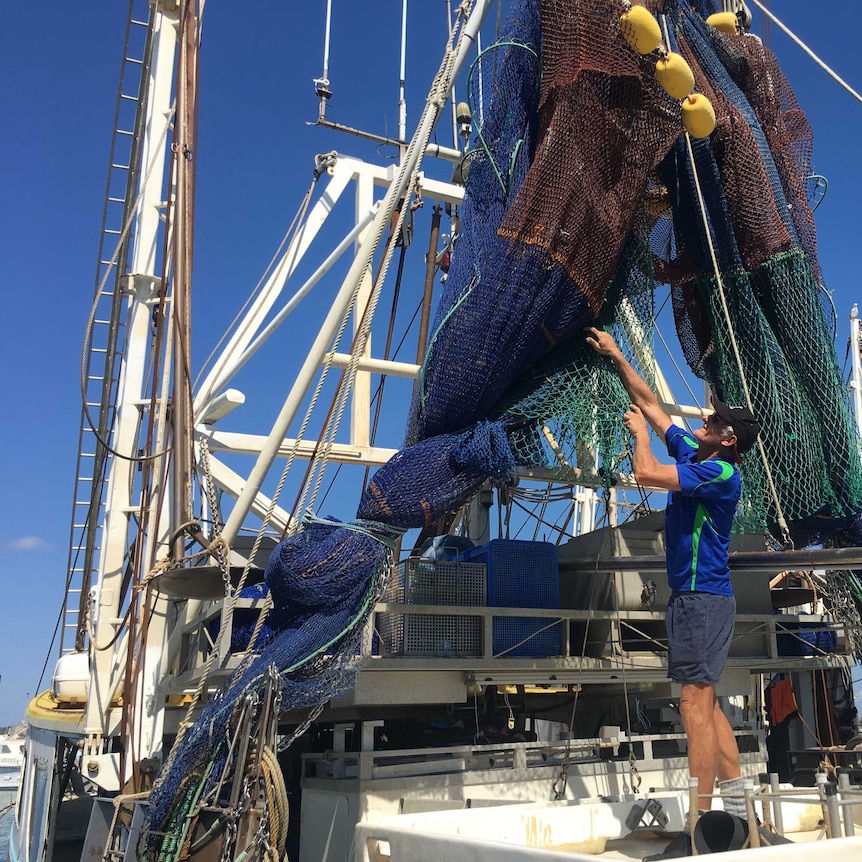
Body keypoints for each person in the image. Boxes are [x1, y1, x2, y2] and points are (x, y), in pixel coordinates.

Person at [585, 327, 761, 859]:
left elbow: (646, 469)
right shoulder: (697, 451)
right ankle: (736, 817)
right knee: (709, 707)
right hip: (692, 601)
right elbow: (654, 404)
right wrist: (619, 356)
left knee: (692, 702)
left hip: (704, 600)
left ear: (727, 438)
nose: (703, 420)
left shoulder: (720, 472)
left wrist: (638, 433)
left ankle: (697, 828)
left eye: (714, 421)